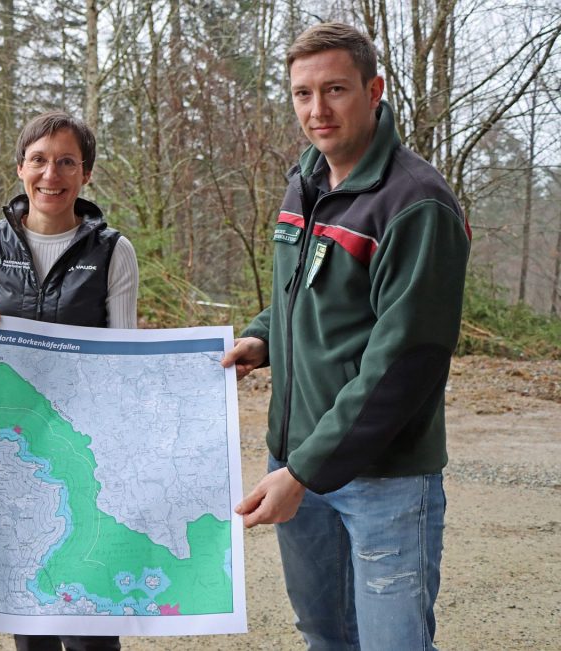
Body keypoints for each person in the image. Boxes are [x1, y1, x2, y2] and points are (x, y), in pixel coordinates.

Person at [221, 22, 470, 650]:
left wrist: (303, 471)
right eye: (303, 94)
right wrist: (262, 339)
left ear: (374, 89)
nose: (317, 109)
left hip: (382, 479)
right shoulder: (305, 181)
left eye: (335, 90)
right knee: (325, 637)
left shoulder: (416, 204)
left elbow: (406, 361)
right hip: (298, 464)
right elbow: (299, 295)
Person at [0, 111, 138, 651]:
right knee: (31, 615)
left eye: (65, 162)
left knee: (88, 616)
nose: (50, 174)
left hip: (83, 454)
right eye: (38, 160)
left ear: (86, 175)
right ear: (19, 169)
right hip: (14, 451)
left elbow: (123, 361)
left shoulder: (113, 251)